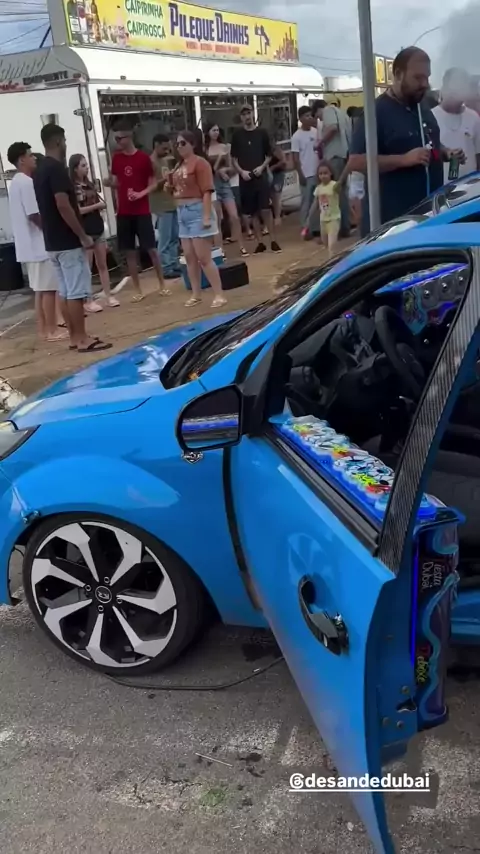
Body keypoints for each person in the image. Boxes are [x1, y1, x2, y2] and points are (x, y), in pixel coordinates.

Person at [350, 47, 463, 236]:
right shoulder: (375, 112)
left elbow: (430, 144)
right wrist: (403, 160)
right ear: (398, 74)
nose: (424, 84)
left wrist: (445, 153)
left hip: (430, 218)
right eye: (418, 78)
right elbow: (356, 161)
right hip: (394, 226)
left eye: (427, 77)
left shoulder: (423, 106)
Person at [33, 123, 111, 353]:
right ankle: (82, 338)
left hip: (52, 241)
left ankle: (74, 338)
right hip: (67, 240)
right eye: (65, 140)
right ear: (58, 141)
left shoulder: (39, 170)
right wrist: (82, 234)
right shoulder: (57, 169)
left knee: (66, 292)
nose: (66, 145)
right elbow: (63, 204)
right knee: (76, 292)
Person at [7, 142, 67, 343]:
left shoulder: (16, 182)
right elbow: (34, 214)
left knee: (40, 291)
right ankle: (51, 330)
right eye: (30, 155)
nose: (34, 158)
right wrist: (49, 230)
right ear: (22, 159)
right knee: (48, 289)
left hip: (29, 247)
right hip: (37, 246)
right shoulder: (25, 183)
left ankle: (43, 329)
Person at [104, 120, 169, 302]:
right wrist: (109, 183)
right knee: (129, 252)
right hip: (124, 212)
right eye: (116, 138)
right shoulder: (116, 159)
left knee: (151, 249)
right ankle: (138, 289)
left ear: (130, 136)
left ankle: (162, 284)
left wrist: (141, 193)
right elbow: (116, 182)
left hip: (141, 211)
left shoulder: (143, 158)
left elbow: (153, 183)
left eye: (121, 138)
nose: (118, 141)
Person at [171, 130, 226, 309]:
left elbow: (207, 191)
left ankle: (219, 294)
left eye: (183, 143)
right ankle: (196, 293)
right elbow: (174, 189)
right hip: (182, 210)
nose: (179, 147)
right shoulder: (179, 166)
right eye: (177, 144)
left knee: (204, 257)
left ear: (192, 144)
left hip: (196, 210)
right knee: (189, 256)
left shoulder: (200, 163)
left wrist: (206, 216)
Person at [69, 153, 120, 308]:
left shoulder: (90, 184)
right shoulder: (74, 188)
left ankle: (108, 295)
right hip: (86, 229)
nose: (87, 168)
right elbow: (78, 210)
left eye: (86, 165)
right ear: (75, 169)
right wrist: (96, 206)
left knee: (102, 264)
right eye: (83, 166)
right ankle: (88, 299)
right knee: (87, 266)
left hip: (97, 226)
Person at [230, 104, 281, 254]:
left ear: (253, 114)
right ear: (241, 117)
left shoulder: (261, 133)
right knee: (252, 212)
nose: (247, 116)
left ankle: (273, 240)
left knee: (265, 209)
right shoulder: (237, 135)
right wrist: (241, 172)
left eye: (248, 113)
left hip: (260, 176)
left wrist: (262, 167)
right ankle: (260, 242)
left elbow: (269, 154)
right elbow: (233, 158)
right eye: (244, 114)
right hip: (245, 178)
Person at [204, 122, 248, 257]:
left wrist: (225, 170)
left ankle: (241, 245)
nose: (216, 133)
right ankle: (220, 249)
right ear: (207, 132)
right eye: (213, 130)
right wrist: (219, 168)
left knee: (234, 216)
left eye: (217, 130)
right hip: (212, 185)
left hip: (224, 184)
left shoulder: (224, 147)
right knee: (217, 219)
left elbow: (232, 167)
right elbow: (208, 170)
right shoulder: (204, 149)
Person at [433, 68, 480, 182]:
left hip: (469, 186)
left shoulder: (473, 117)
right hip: (441, 187)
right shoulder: (431, 117)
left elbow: (478, 155)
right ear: (445, 87)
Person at [315, 100, 351, 237]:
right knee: (342, 191)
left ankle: (338, 228)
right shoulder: (341, 113)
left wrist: (320, 142)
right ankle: (345, 226)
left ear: (319, 110)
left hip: (335, 155)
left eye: (318, 116)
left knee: (334, 192)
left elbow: (332, 128)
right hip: (344, 154)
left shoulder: (328, 111)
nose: (320, 119)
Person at [150, 134, 181, 279]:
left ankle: (174, 264)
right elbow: (151, 186)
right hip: (161, 206)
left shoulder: (166, 160)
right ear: (156, 145)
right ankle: (166, 268)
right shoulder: (150, 163)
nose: (167, 151)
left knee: (174, 236)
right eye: (164, 148)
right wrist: (166, 178)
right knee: (165, 239)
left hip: (171, 202)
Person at [291, 105, 319, 235]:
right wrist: (300, 174)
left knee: (317, 202)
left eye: (310, 115)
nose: (309, 118)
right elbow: (296, 158)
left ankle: (315, 227)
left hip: (317, 172)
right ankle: (305, 227)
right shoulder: (296, 137)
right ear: (300, 119)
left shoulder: (316, 132)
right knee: (306, 202)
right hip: (306, 174)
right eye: (306, 116)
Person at [310, 160, 341, 257]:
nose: (323, 176)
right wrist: (309, 217)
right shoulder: (318, 188)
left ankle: (333, 260)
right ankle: (334, 257)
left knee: (332, 245)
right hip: (323, 219)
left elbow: (339, 189)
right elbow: (315, 204)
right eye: (320, 174)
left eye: (325, 173)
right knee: (326, 243)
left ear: (330, 173)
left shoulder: (334, 185)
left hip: (334, 218)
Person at [268, 143, 287, 226]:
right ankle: (279, 213)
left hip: (278, 174)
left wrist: (273, 167)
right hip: (269, 174)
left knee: (276, 195)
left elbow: (283, 162)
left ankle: (277, 217)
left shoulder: (276, 149)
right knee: (271, 196)